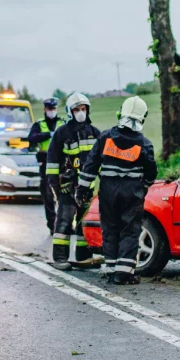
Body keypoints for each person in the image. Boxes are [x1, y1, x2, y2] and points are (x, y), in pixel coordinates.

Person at [77, 96, 157, 285]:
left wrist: (82, 189)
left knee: (110, 229)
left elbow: (90, 165)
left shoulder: (105, 137)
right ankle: (123, 273)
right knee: (130, 231)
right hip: (132, 194)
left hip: (107, 192)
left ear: (121, 113)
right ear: (142, 118)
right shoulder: (144, 144)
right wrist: (143, 188)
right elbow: (151, 173)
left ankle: (111, 269)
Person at [46, 93, 103, 270]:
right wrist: (56, 186)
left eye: (83, 109)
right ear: (70, 112)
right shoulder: (62, 133)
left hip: (87, 189)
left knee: (84, 223)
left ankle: (83, 257)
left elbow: (101, 161)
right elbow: (53, 161)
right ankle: (60, 258)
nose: (81, 112)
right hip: (67, 188)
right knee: (64, 221)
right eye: (77, 109)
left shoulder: (95, 133)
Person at [27, 97, 64, 233]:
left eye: (54, 109)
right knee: (48, 195)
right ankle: (52, 225)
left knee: (64, 195)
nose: (52, 111)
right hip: (46, 162)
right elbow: (31, 137)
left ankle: (64, 224)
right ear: (45, 110)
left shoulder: (62, 123)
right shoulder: (39, 124)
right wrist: (48, 134)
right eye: (49, 109)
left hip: (62, 162)